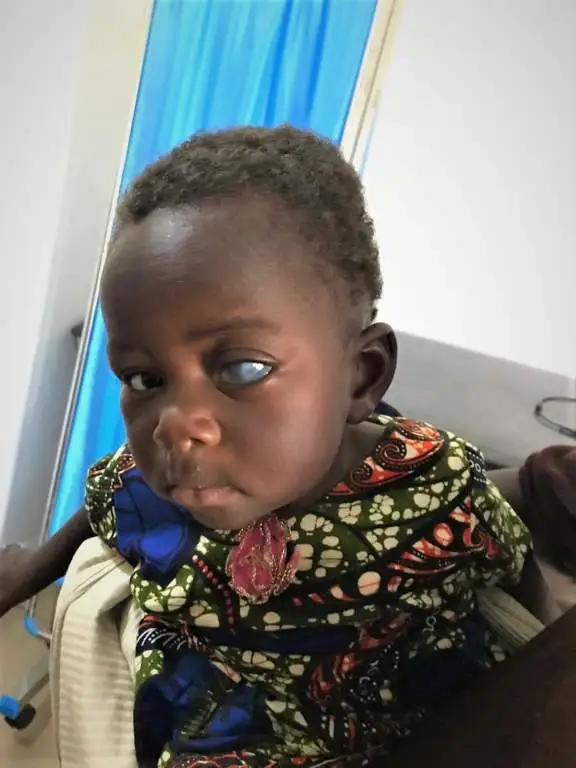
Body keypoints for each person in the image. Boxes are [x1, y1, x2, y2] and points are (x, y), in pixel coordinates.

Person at [0, 126, 553, 767]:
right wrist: (26, 573)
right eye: (145, 379)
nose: (176, 425)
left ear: (362, 376)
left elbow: (521, 594)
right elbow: (104, 506)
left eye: (243, 368)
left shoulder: (434, 490)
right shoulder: (157, 485)